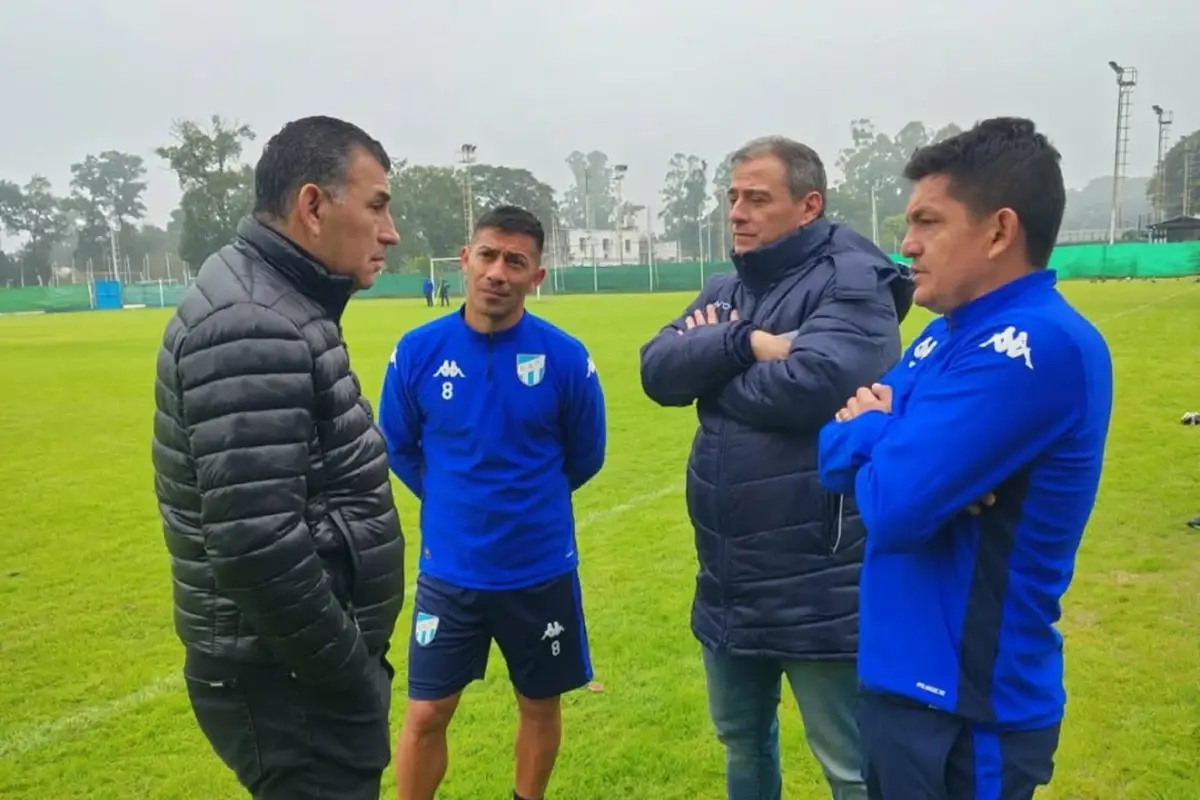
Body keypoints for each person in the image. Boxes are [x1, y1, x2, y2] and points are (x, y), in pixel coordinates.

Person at [817, 117, 1114, 799]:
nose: (907, 243)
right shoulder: (940, 338)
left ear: (999, 230)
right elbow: (832, 453)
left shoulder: (1035, 345)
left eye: (928, 221)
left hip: (966, 710)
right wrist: (901, 441)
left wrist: (889, 434)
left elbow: (892, 508)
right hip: (904, 684)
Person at [639, 136, 913, 800]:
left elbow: (816, 384)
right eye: (732, 197)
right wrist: (744, 342)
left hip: (818, 581)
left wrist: (711, 372)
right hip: (728, 578)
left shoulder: (852, 280)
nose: (737, 212)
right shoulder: (725, 287)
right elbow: (655, 369)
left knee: (848, 762)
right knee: (743, 744)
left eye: (757, 198)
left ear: (808, 205)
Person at [151, 116, 407, 799]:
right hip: (289, 683)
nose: (391, 232)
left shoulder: (282, 302)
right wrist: (348, 672)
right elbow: (255, 544)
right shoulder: (253, 322)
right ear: (313, 206)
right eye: (377, 206)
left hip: (294, 673)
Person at [378, 205, 607, 800]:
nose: (497, 272)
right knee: (427, 713)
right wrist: (457, 502)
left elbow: (586, 456)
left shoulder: (564, 357)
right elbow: (398, 447)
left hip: (539, 573)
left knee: (538, 704)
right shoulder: (418, 351)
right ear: (465, 260)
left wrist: (523, 505)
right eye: (487, 255)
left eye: (516, 261)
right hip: (450, 574)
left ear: (537, 276)